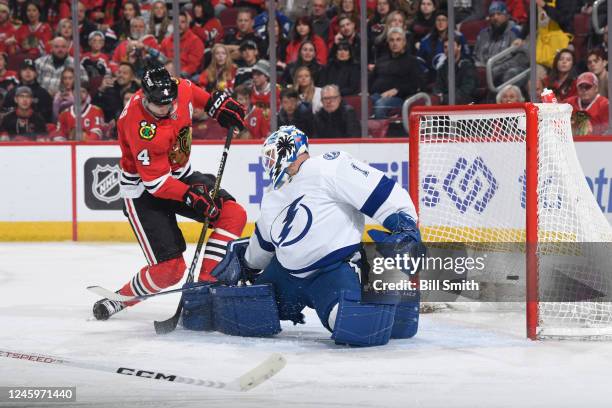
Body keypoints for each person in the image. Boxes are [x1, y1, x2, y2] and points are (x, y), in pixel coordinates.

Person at [183, 125, 423, 347]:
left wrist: (404, 225)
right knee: (244, 314)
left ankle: (394, 298)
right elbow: (260, 251)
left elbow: (381, 192)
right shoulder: (272, 197)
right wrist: (241, 266)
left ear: (288, 149)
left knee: (361, 327)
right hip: (285, 276)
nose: (268, 163)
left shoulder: (329, 166)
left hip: (331, 272)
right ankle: (205, 300)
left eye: (270, 155)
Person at [92, 63, 248, 320]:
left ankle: (205, 289)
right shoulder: (141, 127)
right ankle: (121, 299)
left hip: (180, 174)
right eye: (159, 105)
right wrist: (191, 196)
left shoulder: (180, 88)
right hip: (143, 191)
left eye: (170, 103)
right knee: (171, 270)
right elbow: (156, 184)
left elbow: (202, 98)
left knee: (233, 214)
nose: (166, 109)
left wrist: (217, 107)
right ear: (145, 97)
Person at [369, 27, 422, 118]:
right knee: (363, 102)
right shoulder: (381, 60)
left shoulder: (412, 61)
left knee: (381, 104)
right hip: (377, 95)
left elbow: (416, 84)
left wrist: (396, 90)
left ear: (404, 42)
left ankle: (380, 131)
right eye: (392, 40)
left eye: (398, 40)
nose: (395, 43)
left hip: (399, 98)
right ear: (388, 43)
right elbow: (371, 80)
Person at [473, 1, 527, 86]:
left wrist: (499, 68)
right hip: (486, 70)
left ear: (506, 16)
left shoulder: (516, 32)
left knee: (512, 73)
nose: (495, 18)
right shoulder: (483, 34)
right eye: (492, 15)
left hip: (506, 70)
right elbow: (475, 56)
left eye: (499, 14)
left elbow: (522, 59)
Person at [2, 58, 52, 122]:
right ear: (19, 73)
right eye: (24, 69)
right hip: (14, 128)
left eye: (31, 70)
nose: (28, 72)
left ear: (36, 74)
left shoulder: (43, 94)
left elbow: (47, 118)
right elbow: (6, 115)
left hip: (37, 128)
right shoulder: (12, 93)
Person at [160, 12, 205, 78]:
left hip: (186, 76)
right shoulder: (165, 41)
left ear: (187, 24)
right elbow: (162, 61)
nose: (179, 25)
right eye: (176, 22)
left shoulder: (195, 41)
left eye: (182, 22)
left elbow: (193, 65)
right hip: (167, 75)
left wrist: (180, 75)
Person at [434, 37, 477, 104]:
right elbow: (437, 88)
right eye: (445, 47)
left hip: (465, 105)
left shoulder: (468, 66)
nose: (448, 49)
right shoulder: (442, 68)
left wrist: (444, 98)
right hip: (445, 104)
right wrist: (439, 97)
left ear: (459, 47)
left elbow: (467, 90)